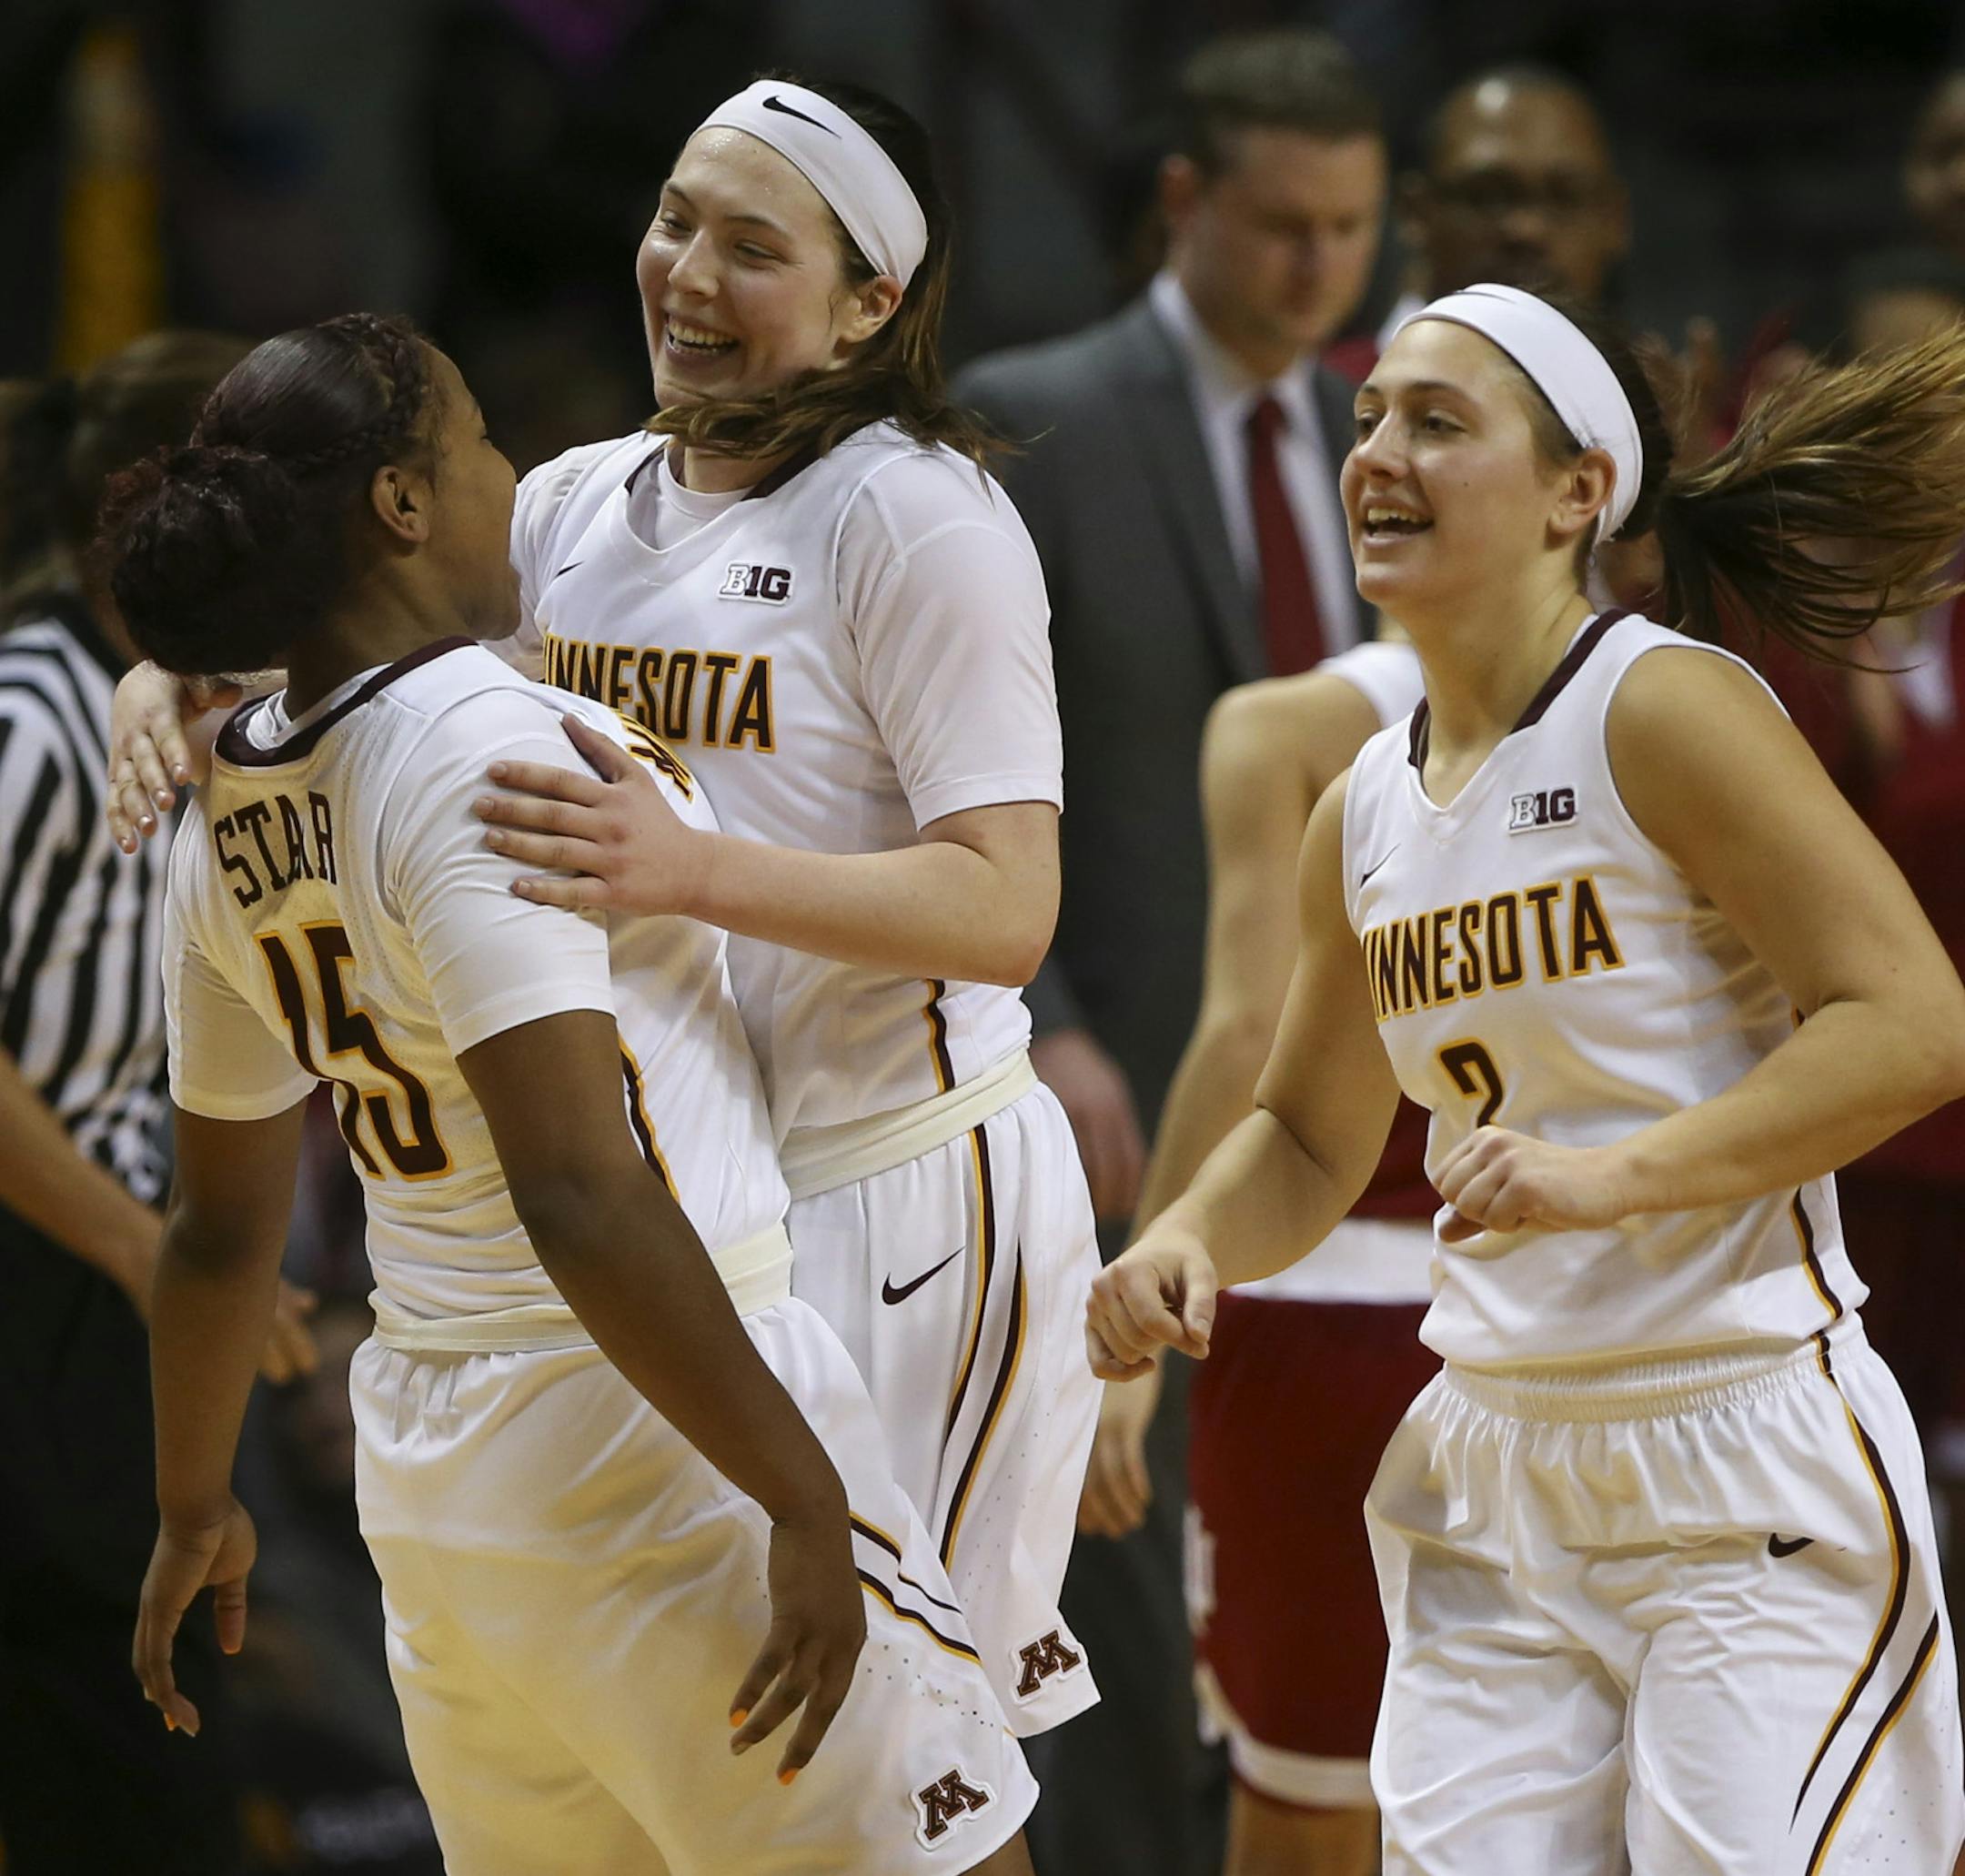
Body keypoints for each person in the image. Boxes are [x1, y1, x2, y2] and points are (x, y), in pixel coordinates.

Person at [106, 73, 1101, 1746]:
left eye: (751, 248)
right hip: (704, 1227)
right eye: (674, 220)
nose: (687, 274)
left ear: (873, 305)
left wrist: (691, 868)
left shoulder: (922, 514)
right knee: (746, 1761)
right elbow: (361, 666)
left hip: (904, 1187)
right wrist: (177, 675)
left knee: (928, 1763)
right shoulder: (570, 505)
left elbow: (1009, 906)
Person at [1088, 283, 1965, 1873]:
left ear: (1579, 494)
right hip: (1492, 1460)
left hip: (1734, 1443)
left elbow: (1914, 1022)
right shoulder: (1359, 805)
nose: (1378, 453)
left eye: (1438, 421)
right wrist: (1186, 1240)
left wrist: (1615, 1172)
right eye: (1368, 420)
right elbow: (1302, 1130)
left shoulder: (1662, 705)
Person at [956, 33, 1387, 1873]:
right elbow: (937, 757)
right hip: (1116, 1088)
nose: (1318, 266)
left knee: (1327, 1632)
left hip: (1371, 1120)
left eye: (1353, 227)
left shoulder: (1407, 419)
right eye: (1281, 223)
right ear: (1187, 203)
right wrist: (1040, 1019)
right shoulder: (1029, 412)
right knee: (1122, 1596)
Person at [0, 333, 316, 1876]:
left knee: (145, 1736)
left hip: (110, 1267)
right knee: (127, 1754)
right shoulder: (28, 713)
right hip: (40, 1272)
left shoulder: (186, 706)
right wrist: (144, 1251)